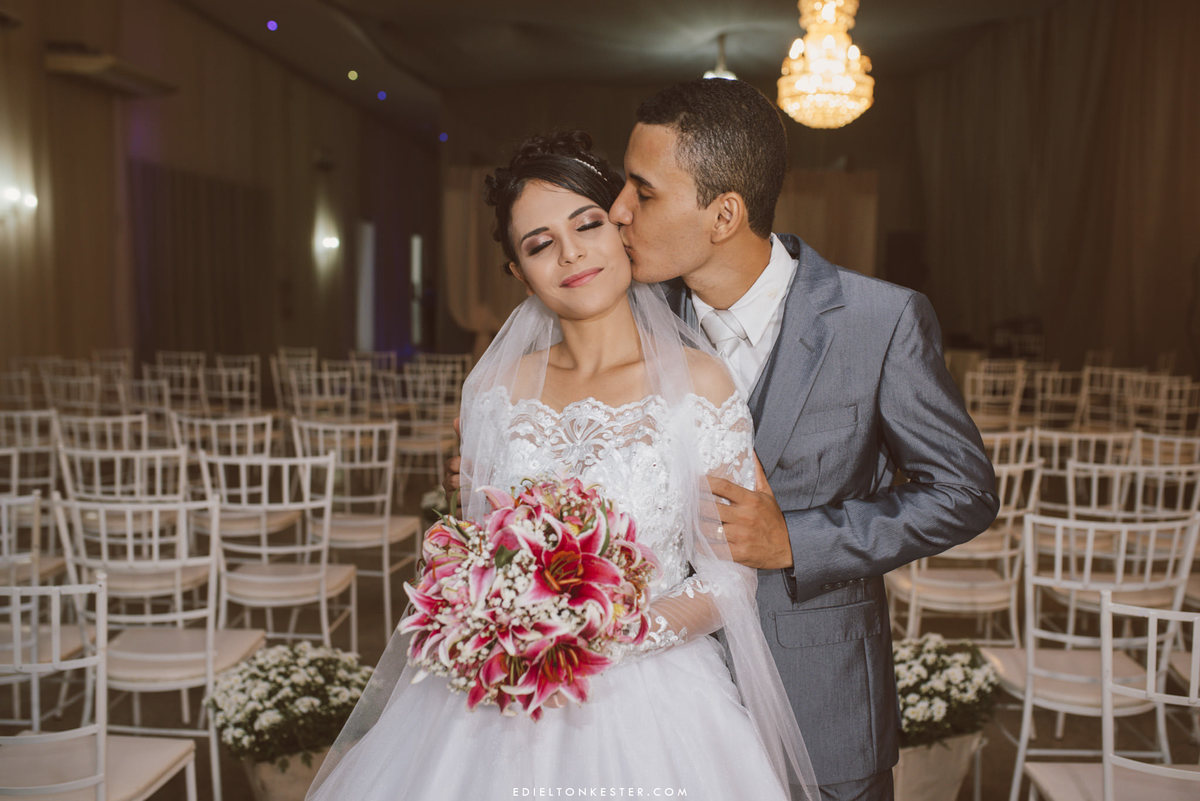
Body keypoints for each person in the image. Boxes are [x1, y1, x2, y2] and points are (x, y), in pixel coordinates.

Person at [308, 131, 820, 801]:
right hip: (497, 698)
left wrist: (604, 635)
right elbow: (477, 553)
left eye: (588, 224)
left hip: (655, 703)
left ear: (622, 230)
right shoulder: (494, 390)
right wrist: (493, 617)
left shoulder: (700, 384)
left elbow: (730, 580)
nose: (571, 252)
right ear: (519, 273)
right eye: (539, 243)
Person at [605, 78, 1000, 800]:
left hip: (823, 705)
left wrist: (798, 541)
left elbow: (965, 492)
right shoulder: (623, 324)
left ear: (724, 213)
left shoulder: (880, 321)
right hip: (658, 710)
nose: (617, 212)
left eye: (643, 191)